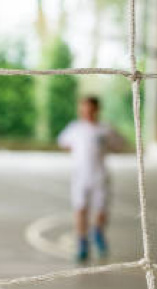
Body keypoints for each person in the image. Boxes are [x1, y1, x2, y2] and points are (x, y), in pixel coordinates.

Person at [58, 95, 126, 262]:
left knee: (101, 209)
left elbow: (120, 145)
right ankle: (82, 242)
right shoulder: (74, 128)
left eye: (90, 109)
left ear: (96, 110)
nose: (86, 112)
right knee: (80, 209)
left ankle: (98, 232)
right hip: (80, 176)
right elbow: (64, 143)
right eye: (83, 109)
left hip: (100, 176)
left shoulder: (105, 129)